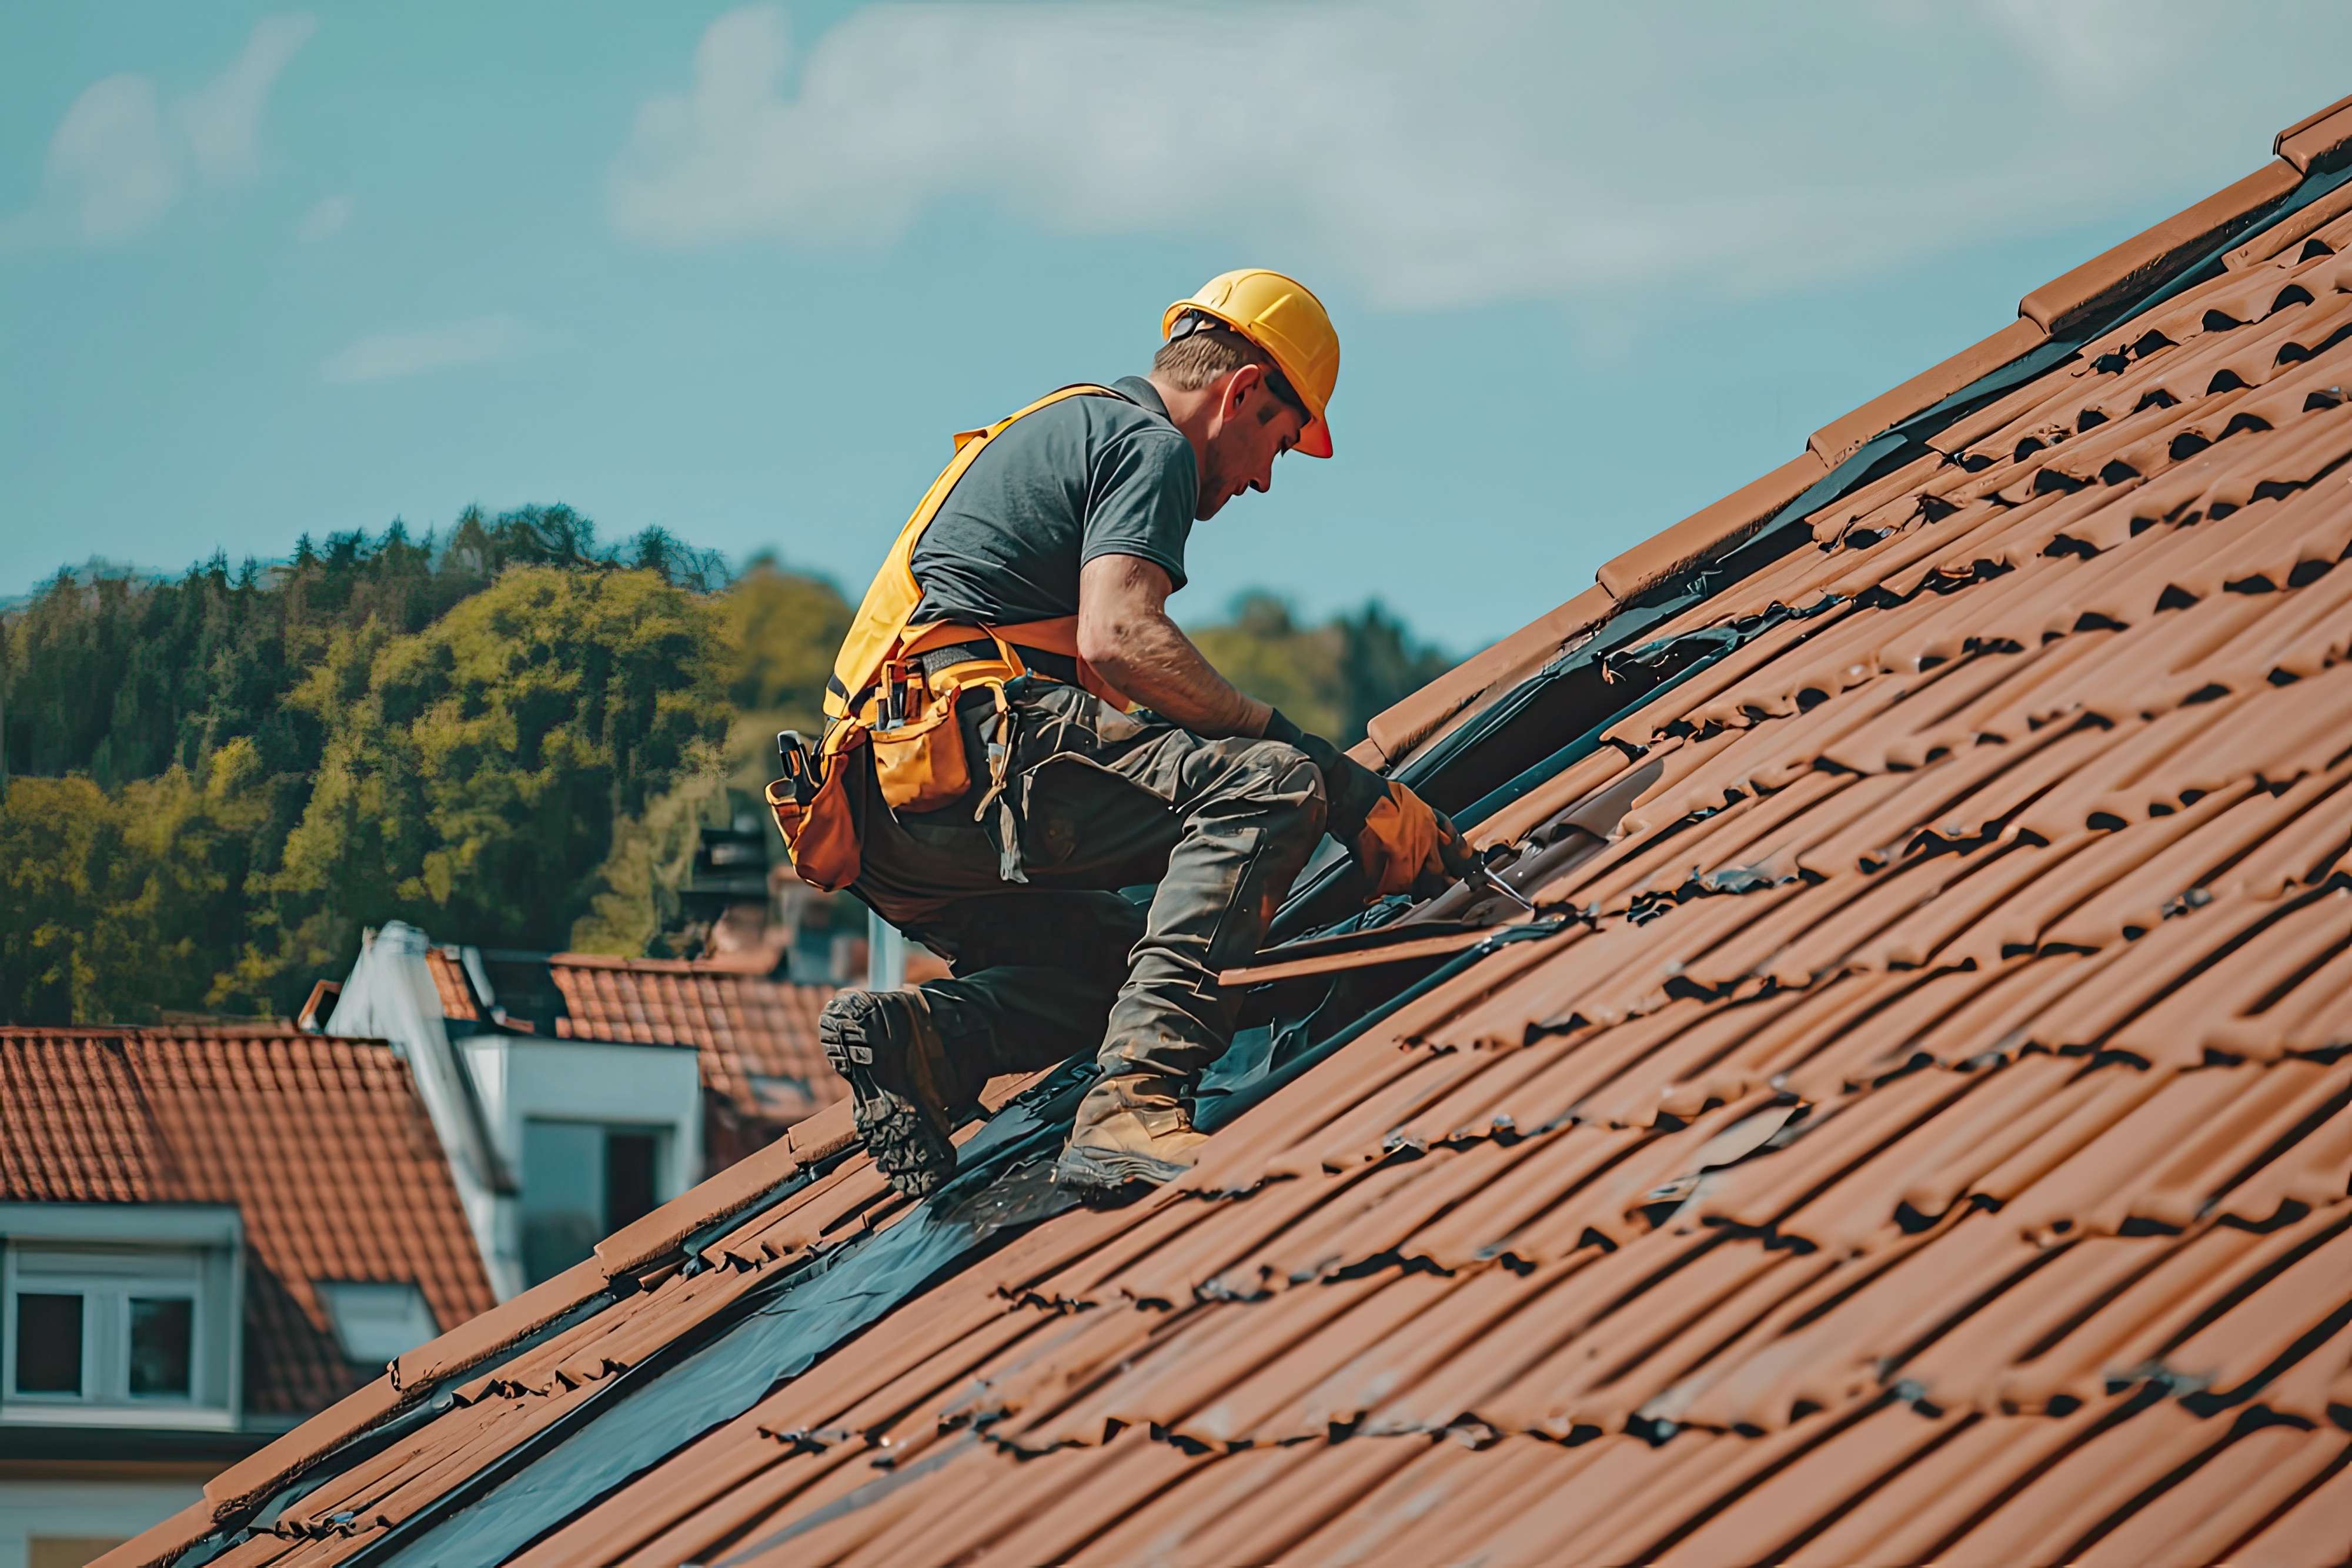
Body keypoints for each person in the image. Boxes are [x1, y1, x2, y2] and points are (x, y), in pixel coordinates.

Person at [791, 269, 1473, 1198]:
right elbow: (1121, 637)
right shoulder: (1146, 442)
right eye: (1278, 442)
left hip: (884, 816)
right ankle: (1132, 1107)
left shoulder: (1066, 426)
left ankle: (930, 1041)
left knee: (1149, 966)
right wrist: (1340, 786)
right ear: (1242, 392)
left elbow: (1115, 703)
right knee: (1272, 785)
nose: (1264, 479)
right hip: (976, 752)